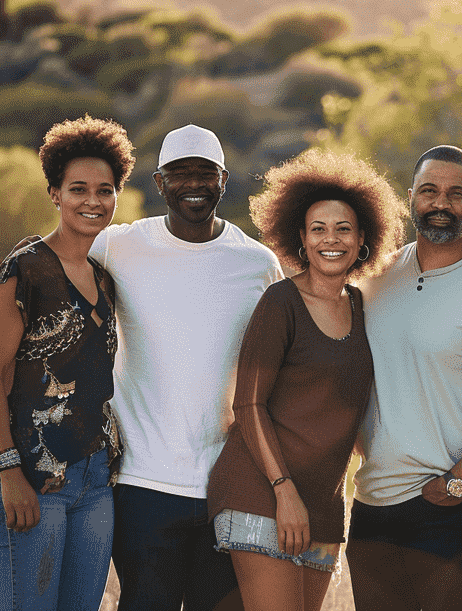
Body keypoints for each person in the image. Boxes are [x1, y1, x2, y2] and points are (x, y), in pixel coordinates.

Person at [88, 124, 283, 611]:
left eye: (205, 173)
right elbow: (50, 266)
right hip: (141, 485)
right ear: (158, 182)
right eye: (180, 173)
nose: (193, 183)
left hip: (228, 486)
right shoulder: (119, 245)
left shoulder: (257, 263)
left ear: (223, 180)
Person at [207, 147, 406, 611]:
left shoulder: (361, 307)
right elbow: (248, 406)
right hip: (261, 498)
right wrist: (285, 492)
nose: (330, 240)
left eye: (343, 229)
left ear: (363, 239)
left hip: (324, 510)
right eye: (318, 229)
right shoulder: (280, 304)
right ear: (300, 237)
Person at [345, 145, 462, 611]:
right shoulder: (376, 275)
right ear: (411, 197)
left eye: (457, 194)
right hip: (372, 504)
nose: (440, 203)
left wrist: (458, 481)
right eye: (429, 191)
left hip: (449, 508)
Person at [0, 116, 135, 610]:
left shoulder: (104, 279)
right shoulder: (25, 270)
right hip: (34, 476)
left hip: (97, 480)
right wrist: (8, 472)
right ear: (54, 193)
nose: (92, 201)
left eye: (105, 190)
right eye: (78, 189)